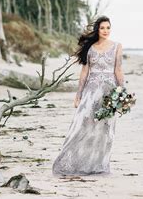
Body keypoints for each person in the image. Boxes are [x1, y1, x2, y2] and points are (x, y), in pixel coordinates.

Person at [52, 15, 124, 176]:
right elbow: (84, 72)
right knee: (82, 126)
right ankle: (74, 163)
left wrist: (122, 92)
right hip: (91, 92)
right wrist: (78, 95)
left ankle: (99, 165)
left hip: (109, 92)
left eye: (108, 27)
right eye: (102, 28)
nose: (106, 31)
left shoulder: (117, 46)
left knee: (105, 130)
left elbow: (118, 70)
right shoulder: (90, 48)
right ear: (97, 30)